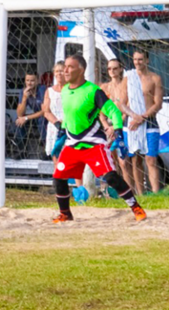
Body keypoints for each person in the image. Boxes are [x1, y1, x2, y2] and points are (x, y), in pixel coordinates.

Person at [52, 54, 146, 223]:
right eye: (65, 66)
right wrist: (62, 131)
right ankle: (65, 213)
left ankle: (135, 207)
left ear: (81, 70)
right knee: (58, 177)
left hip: (93, 143)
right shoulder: (65, 90)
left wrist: (118, 131)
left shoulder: (93, 91)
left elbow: (114, 111)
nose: (65, 70)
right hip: (72, 144)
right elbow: (70, 115)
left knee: (110, 177)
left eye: (70, 67)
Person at [125, 50, 163, 194]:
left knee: (151, 159)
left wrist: (143, 117)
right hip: (133, 122)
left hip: (150, 122)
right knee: (136, 159)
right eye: (135, 59)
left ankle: (155, 192)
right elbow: (121, 102)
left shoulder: (155, 78)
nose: (137, 62)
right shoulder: (129, 78)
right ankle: (140, 193)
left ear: (147, 60)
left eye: (140, 59)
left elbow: (158, 103)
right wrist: (134, 116)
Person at [101, 57, 137, 191]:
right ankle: (114, 192)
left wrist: (117, 124)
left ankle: (130, 190)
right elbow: (101, 111)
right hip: (108, 126)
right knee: (111, 162)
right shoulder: (105, 87)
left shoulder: (126, 84)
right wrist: (106, 126)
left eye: (115, 68)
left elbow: (127, 107)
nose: (112, 71)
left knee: (124, 161)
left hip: (122, 123)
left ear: (121, 68)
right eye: (109, 68)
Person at [12, 72, 46, 156]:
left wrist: (26, 118)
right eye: (27, 80)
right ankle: (21, 150)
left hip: (46, 116)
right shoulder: (23, 91)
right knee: (18, 120)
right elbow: (20, 113)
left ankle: (46, 149)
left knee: (42, 120)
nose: (29, 83)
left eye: (32, 80)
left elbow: (44, 111)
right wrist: (24, 98)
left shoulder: (42, 90)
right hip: (34, 116)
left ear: (37, 81)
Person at [41, 61, 66, 162]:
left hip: (69, 125)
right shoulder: (49, 91)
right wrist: (56, 123)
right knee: (56, 160)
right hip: (54, 126)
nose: (59, 73)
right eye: (57, 71)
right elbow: (46, 111)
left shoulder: (72, 89)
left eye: (62, 71)